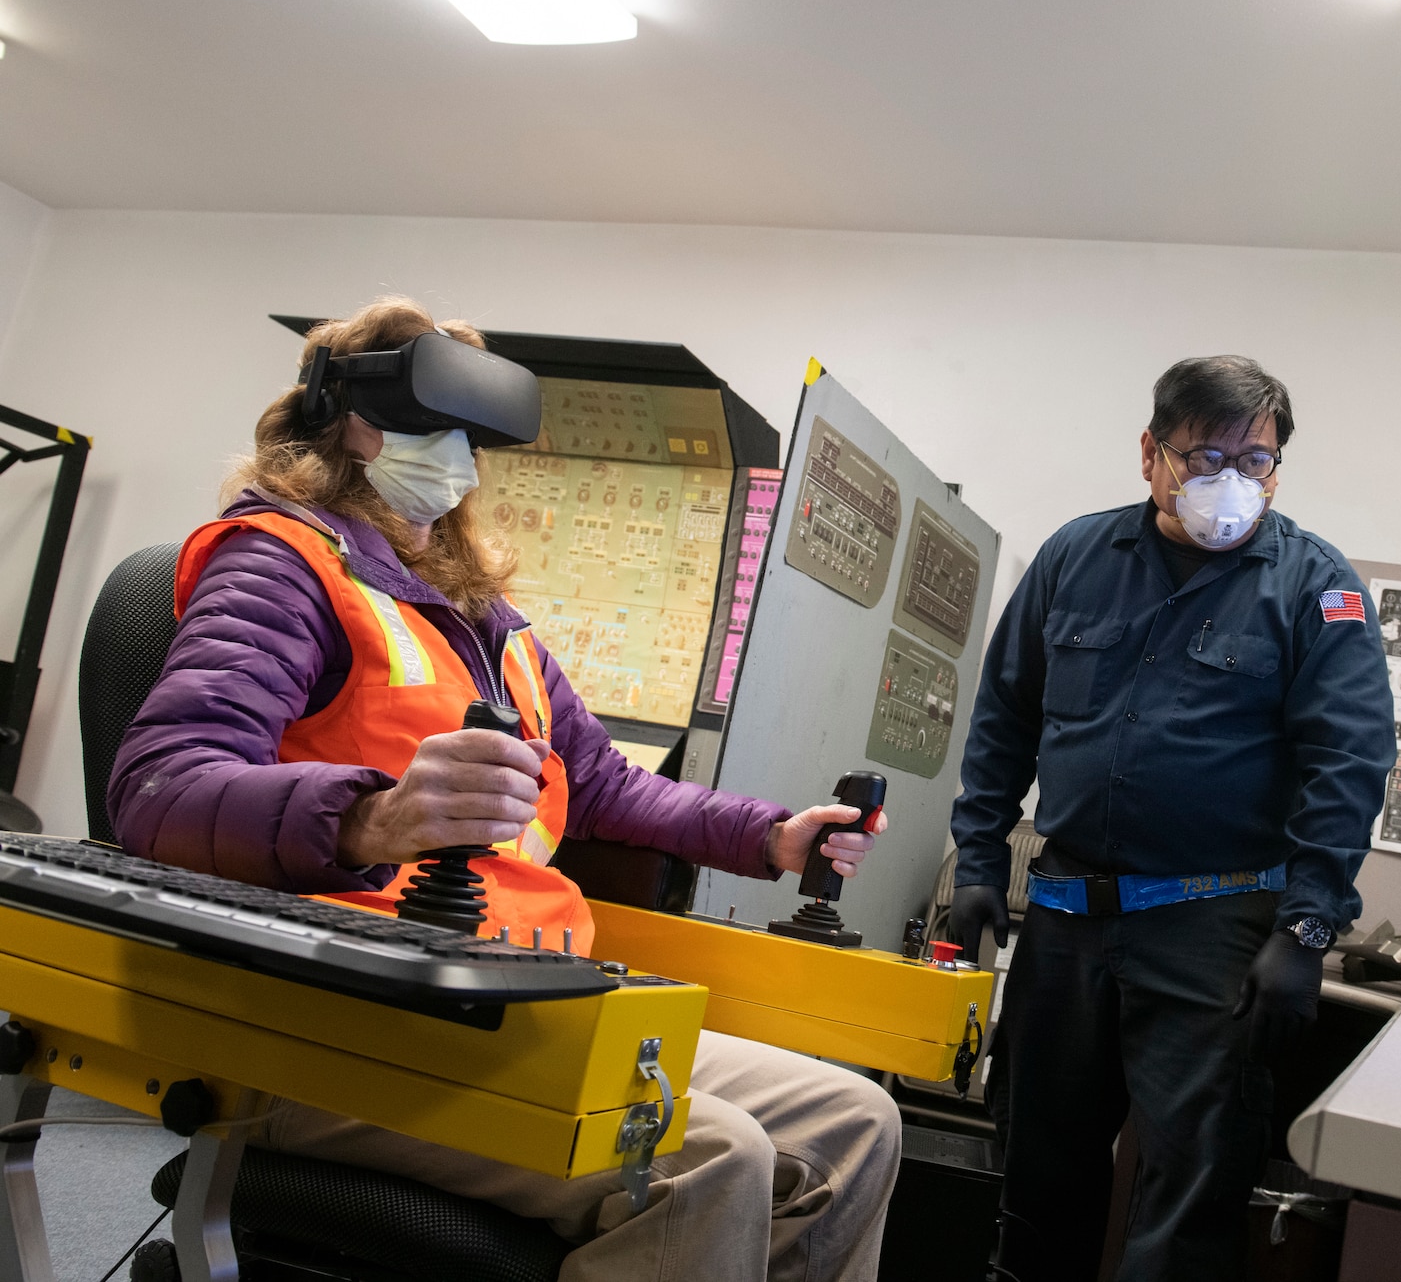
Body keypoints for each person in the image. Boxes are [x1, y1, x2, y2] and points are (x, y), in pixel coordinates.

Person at [109, 297, 902, 1282]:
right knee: (709, 1156)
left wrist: (774, 836)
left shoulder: (485, 619)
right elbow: (160, 787)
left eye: (472, 439)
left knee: (853, 1121)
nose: (459, 460)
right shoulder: (279, 565)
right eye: (435, 427)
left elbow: (606, 785)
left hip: (521, 1001)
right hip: (335, 1020)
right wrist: (372, 816)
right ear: (347, 420)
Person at [948, 356, 1397, 1280]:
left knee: (1186, 1208)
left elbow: (1346, 762)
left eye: (1257, 461)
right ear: (1151, 454)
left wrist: (1308, 927)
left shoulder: (1315, 586)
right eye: (1205, 458)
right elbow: (1005, 715)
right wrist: (981, 860)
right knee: (1036, 1184)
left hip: (1212, 931)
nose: (1231, 484)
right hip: (1067, 918)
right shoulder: (1075, 557)